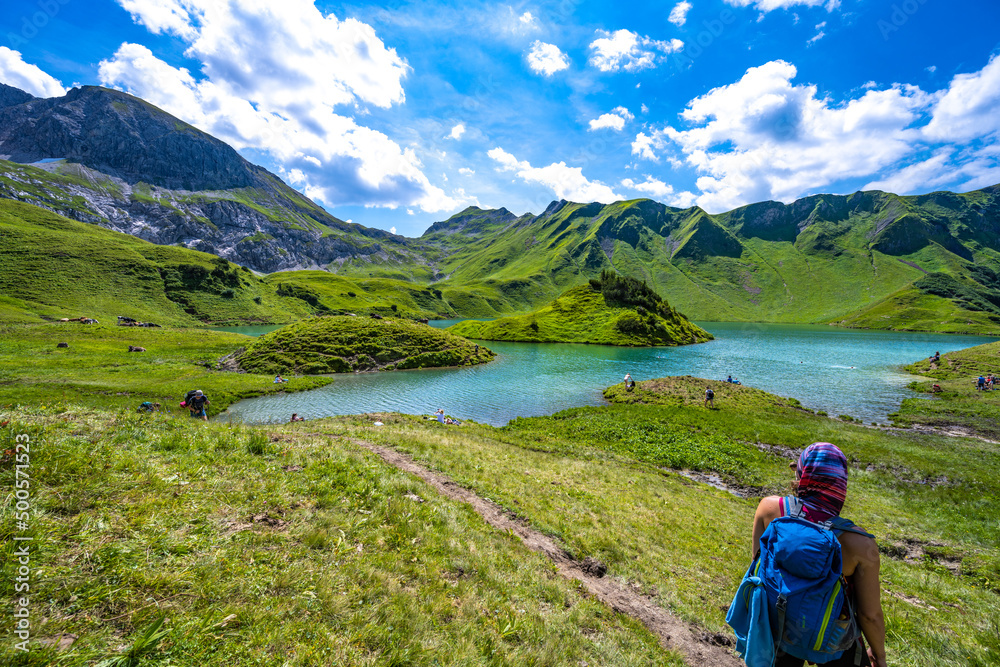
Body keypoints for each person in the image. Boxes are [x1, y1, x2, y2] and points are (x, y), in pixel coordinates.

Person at [749, 443, 887, 667]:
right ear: (841, 483)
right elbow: (869, 615)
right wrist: (878, 655)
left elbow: (759, 568)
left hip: (778, 627)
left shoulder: (768, 509)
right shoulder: (861, 544)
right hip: (831, 641)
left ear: (802, 474)